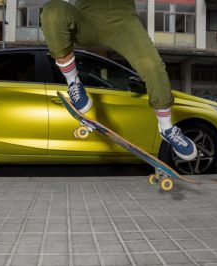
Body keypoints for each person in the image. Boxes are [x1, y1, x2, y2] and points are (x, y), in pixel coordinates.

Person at [40, 0, 197, 161]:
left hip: (124, 24)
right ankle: (73, 82)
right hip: (86, 22)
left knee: (153, 67)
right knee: (52, 11)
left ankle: (167, 128)